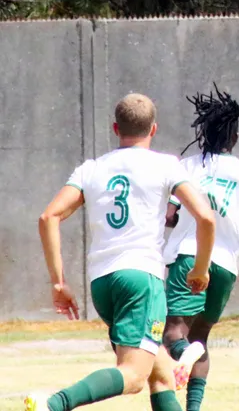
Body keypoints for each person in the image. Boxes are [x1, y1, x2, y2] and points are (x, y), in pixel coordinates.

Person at [25, 94, 216, 411]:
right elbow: (206, 218)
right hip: (141, 281)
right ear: (153, 129)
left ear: (115, 128)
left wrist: (59, 283)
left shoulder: (91, 169)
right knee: (133, 375)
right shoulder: (166, 165)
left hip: (103, 285)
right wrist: (200, 269)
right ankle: (55, 404)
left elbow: (49, 217)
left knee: (162, 376)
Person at [162, 84, 239, 411]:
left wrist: (178, 222)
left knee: (174, 334)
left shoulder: (186, 167)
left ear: (203, 133)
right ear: (235, 137)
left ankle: (183, 356)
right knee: (200, 337)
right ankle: (194, 407)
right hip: (226, 263)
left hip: (190, 256)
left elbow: (170, 216)